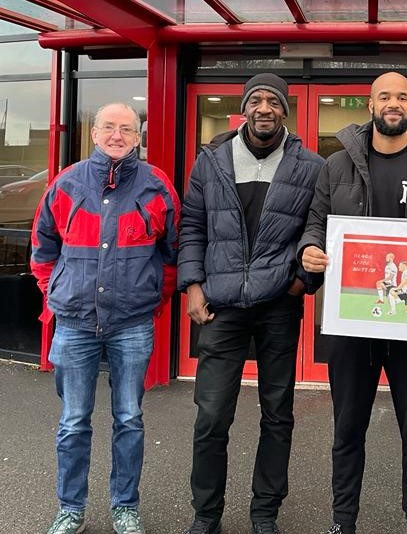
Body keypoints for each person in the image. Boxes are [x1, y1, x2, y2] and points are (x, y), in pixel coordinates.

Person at [298, 71, 407, 534]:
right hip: (350, 321)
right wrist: (310, 250)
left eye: (402, 96)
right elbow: (315, 223)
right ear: (370, 104)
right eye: (384, 96)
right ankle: (343, 522)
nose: (393, 103)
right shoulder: (335, 166)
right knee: (346, 431)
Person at [177, 73, 324, 534]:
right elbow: (192, 227)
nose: (264, 108)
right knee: (212, 415)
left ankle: (265, 513)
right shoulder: (212, 160)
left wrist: (300, 283)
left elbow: (317, 228)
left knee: (278, 414)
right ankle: (207, 515)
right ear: (245, 108)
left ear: (285, 111)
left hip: (278, 304)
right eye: (256, 100)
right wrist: (193, 287)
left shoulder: (311, 166)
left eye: (273, 102)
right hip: (221, 306)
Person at [31, 102, 181, 534]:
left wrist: (154, 300)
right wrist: (55, 293)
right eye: (109, 128)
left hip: (132, 324)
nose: (118, 136)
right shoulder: (67, 184)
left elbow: (171, 255)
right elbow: (43, 250)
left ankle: (125, 507)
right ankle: (70, 508)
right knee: (73, 420)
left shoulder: (156, 187)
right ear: (94, 133)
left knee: (130, 419)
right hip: (74, 323)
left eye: (127, 129)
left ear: (138, 137)